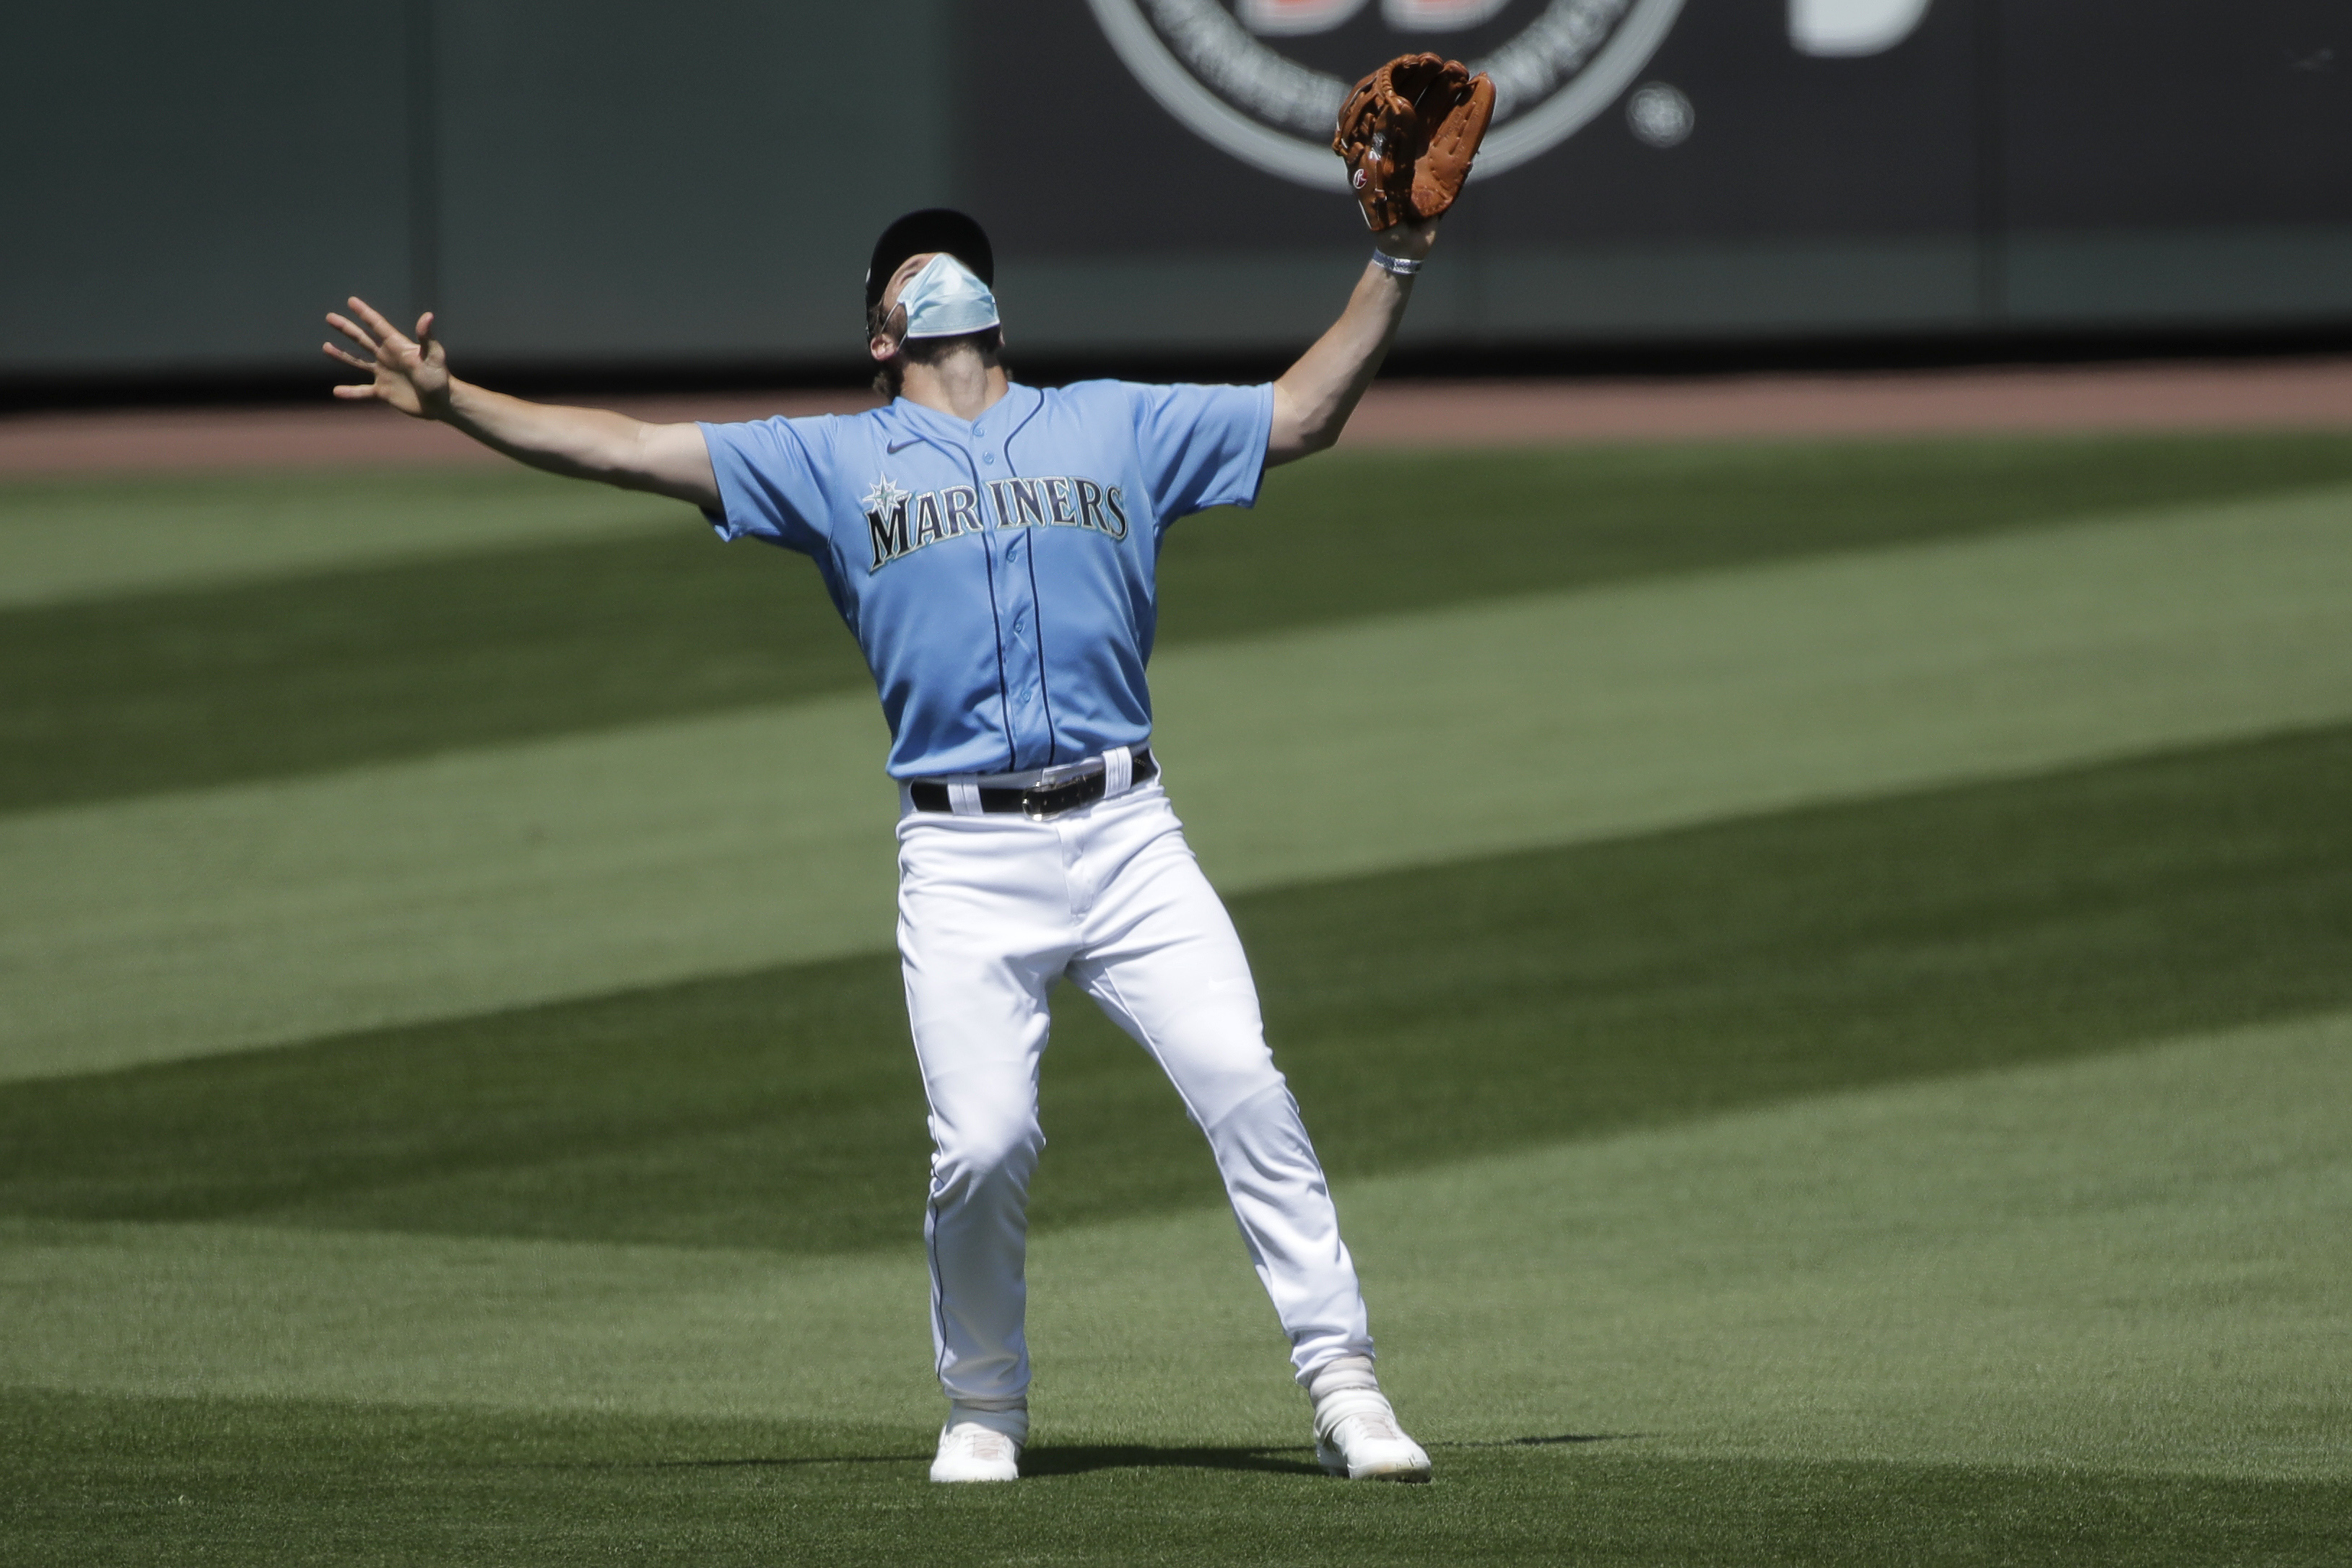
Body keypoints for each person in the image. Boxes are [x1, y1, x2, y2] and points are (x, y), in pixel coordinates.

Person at [323, 205, 1442, 1484]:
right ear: (881, 332)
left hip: (1130, 834)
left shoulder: (1119, 421)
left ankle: (1343, 1386)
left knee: (1245, 1086)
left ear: (995, 312)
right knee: (979, 1144)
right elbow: (629, 450)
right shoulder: (831, 461)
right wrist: (456, 398)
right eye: (917, 262)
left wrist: (1397, 258)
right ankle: (982, 1405)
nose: (947, 263)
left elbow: (1304, 411)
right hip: (965, 858)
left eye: (959, 255)